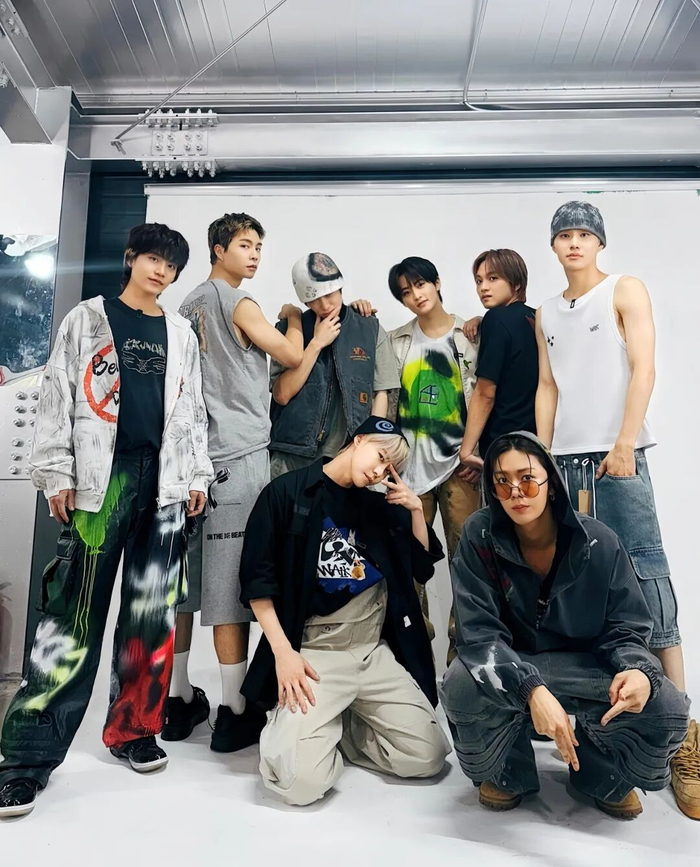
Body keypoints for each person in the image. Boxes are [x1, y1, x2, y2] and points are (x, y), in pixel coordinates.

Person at [0, 223, 214, 818]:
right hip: (103, 480)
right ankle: (25, 759)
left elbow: (193, 409)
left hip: (165, 484)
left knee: (151, 615)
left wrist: (197, 476)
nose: (161, 271)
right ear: (131, 259)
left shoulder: (180, 333)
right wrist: (55, 471)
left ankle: (133, 731)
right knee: (71, 617)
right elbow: (57, 395)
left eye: (171, 265)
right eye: (153, 259)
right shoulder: (87, 319)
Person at [535, 200, 698, 818]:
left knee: (646, 577)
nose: (574, 243)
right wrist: (544, 458)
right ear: (554, 246)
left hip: (616, 457)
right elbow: (548, 386)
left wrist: (626, 440)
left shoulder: (624, 289)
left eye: (584, 234)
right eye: (565, 235)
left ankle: (681, 730)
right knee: (578, 588)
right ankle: (598, 727)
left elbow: (644, 367)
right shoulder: (547, 312)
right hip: (564, 464)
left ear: (599, 242)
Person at [440, 432, 689, 819]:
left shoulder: (599, 542)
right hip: (515, 662)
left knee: (667, 706)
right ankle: (507, 771)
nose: (515, 492)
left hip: (587, 669)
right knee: (460, 684)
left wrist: (638, 670)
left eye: (527, 478)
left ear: (551, 483)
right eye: (502, 481)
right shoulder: (479, 535)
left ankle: (603, 775)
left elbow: (626, 627)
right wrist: (531, 689)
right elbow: (478, 634)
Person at [239, 417, 451, 806]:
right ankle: (297, 730)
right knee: (300, 785)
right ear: (358, 439)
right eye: (380, 457)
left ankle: (344, 727)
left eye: (390, 469)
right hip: (316, 653)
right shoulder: (287, 492)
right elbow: (257, 584)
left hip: (372, 652)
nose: (380, 472)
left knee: (429, 756)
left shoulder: (379, 507)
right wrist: (284, 654)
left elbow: (422, 567)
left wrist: (415, 512)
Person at [165, 212, 304, 753]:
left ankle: (176, 700)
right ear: (218, 249)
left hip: (190, 462)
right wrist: (296, 321)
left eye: (258, 247)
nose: (254, 255)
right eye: (245, 245)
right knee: (230, 586)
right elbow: (290, 355)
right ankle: (233, 711)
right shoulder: (238, 302)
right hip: (238, 457)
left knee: (184, 585)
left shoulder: (187, 305)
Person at [385, 256, 480, 659]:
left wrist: (476, 453)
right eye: (406, 292)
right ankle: (415, 657)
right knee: (408, 566)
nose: (416, 296)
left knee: (468, 564)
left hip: (460, 470)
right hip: (410, 473)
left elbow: (487, 396)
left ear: (437, 283)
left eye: (420, 285)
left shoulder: (469, 336)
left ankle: (463, 659)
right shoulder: (395, 342)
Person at [268, 252, 400, 478]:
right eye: (314, 299)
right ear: (305, 301)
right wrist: (316, 344)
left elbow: (381, 393)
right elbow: (282, 394)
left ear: (340, 287)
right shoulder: (290, 329)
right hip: (291, 455)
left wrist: (368, 444)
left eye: (329, 294)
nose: (325, 305)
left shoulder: (369, 329)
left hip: (345, 456)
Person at [458, 249, 538, 478]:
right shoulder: (536, 318)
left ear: (516, 283)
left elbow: (485, 393)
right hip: (536, 444)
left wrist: (467, 451)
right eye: (479, 281)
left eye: (493, 278)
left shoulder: (497, 319)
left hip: (503, 444)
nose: (483, 287)